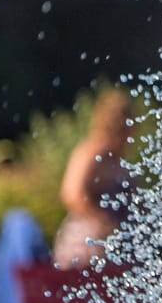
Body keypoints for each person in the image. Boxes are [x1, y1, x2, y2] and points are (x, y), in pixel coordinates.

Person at [53, 88, 135, 271]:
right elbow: (72, 194)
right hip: (88, 241)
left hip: (116, 244)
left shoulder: (118, 159)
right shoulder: (91, 153)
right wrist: (105, 224)